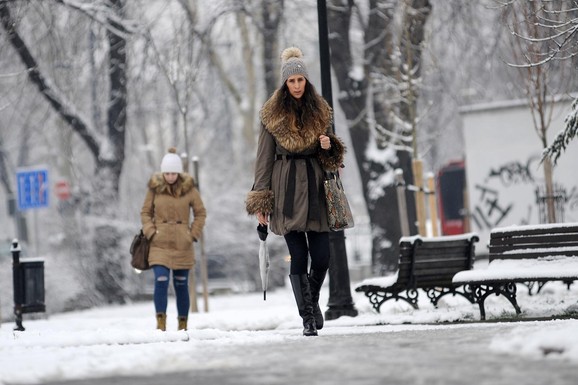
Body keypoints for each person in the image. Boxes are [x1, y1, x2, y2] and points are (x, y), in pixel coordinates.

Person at [245, 47, 346, 336]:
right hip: (285, 188)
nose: (297, 85)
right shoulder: (271, 114)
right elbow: (263, 159)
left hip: (315, 188)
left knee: (323, 256)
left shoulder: (321, 110)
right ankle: (308, 320)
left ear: (306, 80)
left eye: (301, 79)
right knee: (299, 256)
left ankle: (310, 304)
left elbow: (333, 159)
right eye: (292, 81)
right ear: (285, 83)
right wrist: (261, 200)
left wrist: (330, 147)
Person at [141, 147, 207, 331]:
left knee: (181, 285)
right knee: (160, 281)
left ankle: (182, 324)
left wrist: (192, 234)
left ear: (178, 172)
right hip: (159, 243)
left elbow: (200, 213)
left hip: (182, 244)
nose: (170, 176)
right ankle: (160, 323)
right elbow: (145, 212)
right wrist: (151, 231)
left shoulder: (189, 190)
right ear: (163, 173)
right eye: (167, 173)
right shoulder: (154, 189)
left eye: (173, 173)